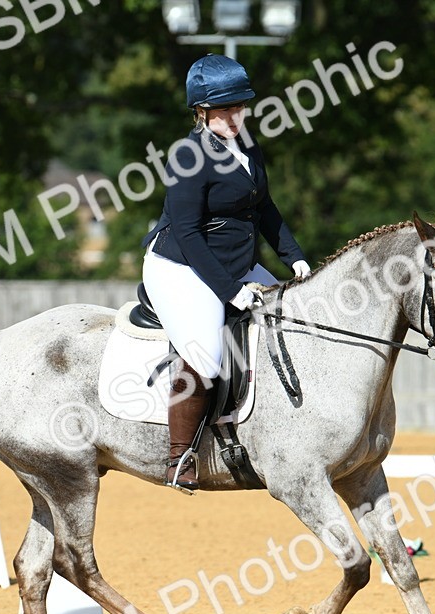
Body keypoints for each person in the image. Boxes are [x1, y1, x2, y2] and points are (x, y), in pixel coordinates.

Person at [141, 53, 311, 493]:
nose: (236, 116)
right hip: (181, 266)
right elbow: (188, 232)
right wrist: (231, 290)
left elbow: (265, 207)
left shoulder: (248, 146)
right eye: (225, 109)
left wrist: (293, 256)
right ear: (201, 111)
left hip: (235, 262)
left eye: (240, 106)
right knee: (205, 355)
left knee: (301, 318)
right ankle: (180, 457)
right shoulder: (187, 155)